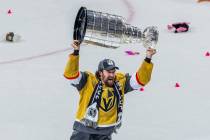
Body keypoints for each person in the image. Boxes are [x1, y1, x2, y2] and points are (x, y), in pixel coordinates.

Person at [64, 30, 157, 140]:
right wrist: (75, 52)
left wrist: (148, 58)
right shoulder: (88, 81)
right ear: (100, 73)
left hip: (105, 132)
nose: (112, 75)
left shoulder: (120, 83)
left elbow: (141, 80)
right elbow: (71, 75)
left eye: (113, 72)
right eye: (108, 72)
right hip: (84, 130)